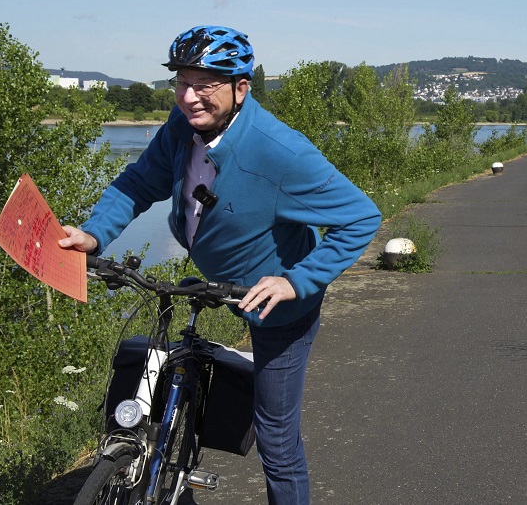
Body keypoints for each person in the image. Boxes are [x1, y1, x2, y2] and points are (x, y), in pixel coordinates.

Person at [59, 25, 382, 503]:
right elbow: (139, 182)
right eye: (182, 83)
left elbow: (361, 216)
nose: (189, 97)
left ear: (240, 88)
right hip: (218, 278)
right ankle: (168, 456)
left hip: (278, 306)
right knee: (167, 375)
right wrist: (94, 232)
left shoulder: (280, 152)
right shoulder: (180, 127)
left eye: (205, 85)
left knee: (275, 436)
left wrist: (297, 282)